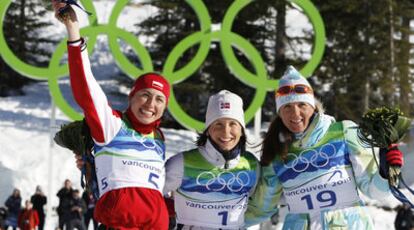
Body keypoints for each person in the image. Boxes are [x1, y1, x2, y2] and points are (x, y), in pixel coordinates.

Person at [52, 1, 171, 229]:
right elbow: (86, 89)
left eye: (159, 99)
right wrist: (73, 31)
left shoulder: (159, 138)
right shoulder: (113, 125)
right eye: (145, 95)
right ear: (132, 96)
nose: (150, 104)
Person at [245, 66, 403, 229]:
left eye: (301, 105)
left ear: (312, 106)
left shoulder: (344, 133)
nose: (295, 113)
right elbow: (262, 208)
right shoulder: (277, 153)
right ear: (280, 112)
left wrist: (386, 173)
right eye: (287, 107)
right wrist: (225, 222)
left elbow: (377, 192)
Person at [164, 90, 259, 229]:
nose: (226, 132)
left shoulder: (251, 165)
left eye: (233, 123)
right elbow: (151, 195)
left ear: (242, 130)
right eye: (218, 124)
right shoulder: (182, 163)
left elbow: (263, 203)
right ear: (208, 129)